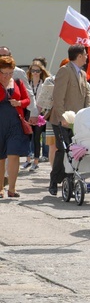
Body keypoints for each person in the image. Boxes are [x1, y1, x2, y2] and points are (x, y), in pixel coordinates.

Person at [48, 44, 90, 196]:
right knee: (63, 150)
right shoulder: (65, 71)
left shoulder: (82, 73)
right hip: (62, 120)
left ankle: (69, 179)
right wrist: (63, 117)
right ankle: (54, 180)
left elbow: (87, 95)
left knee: (75, 151)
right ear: (79, 56)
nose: (87, 57)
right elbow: (58, 97)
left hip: (77, 121)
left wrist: (88, 112)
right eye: (85, 55)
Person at [0, 55, 31, 198]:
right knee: (1, 157)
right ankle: (0, 188)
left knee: (14, 155)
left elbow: (27, 100)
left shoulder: (17, 82)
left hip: (15, 123)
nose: (7, 76)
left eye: (10, 73)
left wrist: (19, 103)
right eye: (3, 73)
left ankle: (12, 188)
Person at [25, 61, 51, 171]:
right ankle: (28, 159)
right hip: (28, 113)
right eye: (33, 70)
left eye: (37, 71)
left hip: (40, 114)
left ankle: (36, 161)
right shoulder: (27, 83)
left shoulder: (44, 84)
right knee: (28, 137)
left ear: (41, 72)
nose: (35, 73)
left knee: (37, 137)